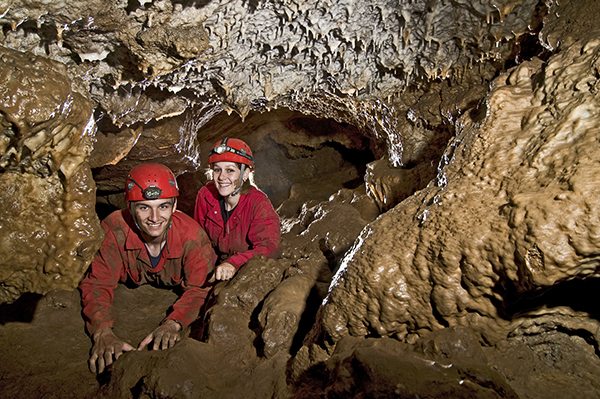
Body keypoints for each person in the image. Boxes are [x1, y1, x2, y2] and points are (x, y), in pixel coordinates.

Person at [79, 162, 216, 374]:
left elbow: (200, 288)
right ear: (130, 208)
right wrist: (102, 332)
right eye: (144, 207)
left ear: (174, 206)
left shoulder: (192, 237)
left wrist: (173, 323)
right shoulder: (115, 229)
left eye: (163, 206)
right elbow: (98, 283)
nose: (154, 218)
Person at [193, 137, 280, 281]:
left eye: (230, 170)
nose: (221, 177)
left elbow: (269, 247)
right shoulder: (205, 195)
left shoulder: (258, 203)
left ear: (245, 174)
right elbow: (198, 240)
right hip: (215, 266)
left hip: (245, 270)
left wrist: (233, 263)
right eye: (217, 170)